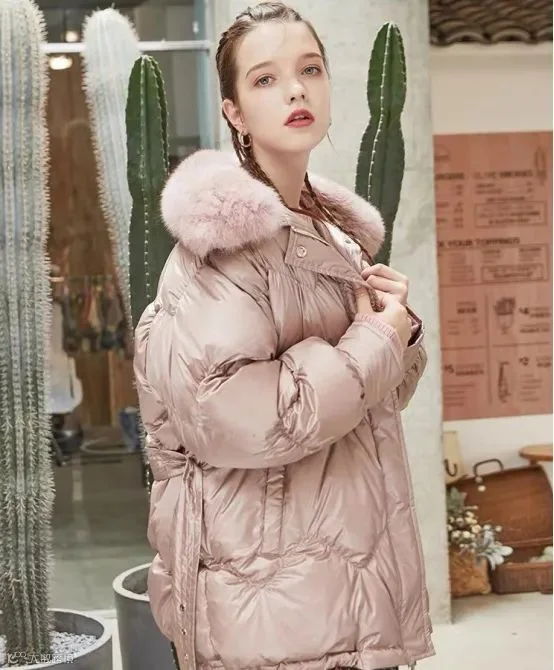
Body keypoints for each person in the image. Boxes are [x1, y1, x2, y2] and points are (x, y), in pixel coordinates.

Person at [133, 3, 435, 669]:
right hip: (274, 600)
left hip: (337, 575)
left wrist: (399, 332)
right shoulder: (225, 249)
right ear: (234, 112)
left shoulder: (327, 232)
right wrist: (374, 341)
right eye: (265, 79)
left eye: (310, 69)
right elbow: (234, 416)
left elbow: (368, 404)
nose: (296, 90)